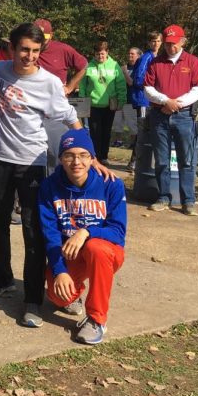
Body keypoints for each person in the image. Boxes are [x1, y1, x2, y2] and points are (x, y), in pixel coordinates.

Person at [0, 22, 95, 330]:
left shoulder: (48, 83)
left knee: (33, 231)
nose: (28, 57)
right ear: (12, 48)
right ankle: (3, 278)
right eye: (23, 49)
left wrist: (92, 156)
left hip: (32, 162)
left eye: (34, 51)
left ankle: (32, 299)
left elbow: (71, 118)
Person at [38, 129, 126, 344]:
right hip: (70, 254)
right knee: (59, 297)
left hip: (105, 252)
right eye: (69, 155)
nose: (76, 161)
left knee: (96, 247)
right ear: (60, 159)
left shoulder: (111, 184)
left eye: (83, 155)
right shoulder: (49, 186)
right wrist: (59, 271)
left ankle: (96, 319)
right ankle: (75, 293)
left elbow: (117, 231)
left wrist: (86, 231)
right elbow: (49, 234)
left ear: (92, 159)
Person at [144, 24, 198, 216]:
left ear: (182, 41)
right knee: (162, 159)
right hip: (159, 115)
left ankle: (188, 200)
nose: (171, 47)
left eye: (174, 43)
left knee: (186, 160)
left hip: (184, 116)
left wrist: (176, 104)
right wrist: (165, 101)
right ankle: (163, 197)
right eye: (168, 44)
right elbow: (148, 88)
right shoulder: (156, 62)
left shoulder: (193, 61)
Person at [33, 19, 88, 169]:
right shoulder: (29, 50)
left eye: (44, 38)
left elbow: (83, 65)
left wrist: (70, 86)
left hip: (57, 112)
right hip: (33, 112)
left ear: (51, 35)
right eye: (38, 36)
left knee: (57, 154)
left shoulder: (63, 49)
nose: (41, 42)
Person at [80, 38, 126, 165]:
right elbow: (83, 84)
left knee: (106, 132)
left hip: (109, 105)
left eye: (102, 53)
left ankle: (104, 156)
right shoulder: (89, 66)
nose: (100, 56)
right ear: (94, 54)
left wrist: (121, 101)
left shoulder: (115, 65)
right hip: (93, 105)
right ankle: (95, 156)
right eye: (97, 53)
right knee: (95, 133)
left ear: (107, 53)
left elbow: (121, 84)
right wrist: (83, 101)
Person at [129, 31, 163, 171]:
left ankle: (145, 161)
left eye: (158, 41)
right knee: (142, 131)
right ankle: (134, 162)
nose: (156, 44)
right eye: (153, 41)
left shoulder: (159, 57)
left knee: (149, 131)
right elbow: (138, 79)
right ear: (149, 43)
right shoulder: (146, 57)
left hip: (153, 101)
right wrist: (153, 85)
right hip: (143, 100)